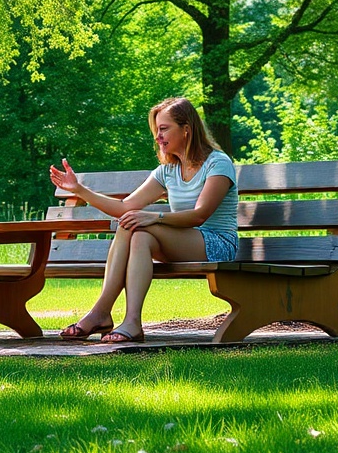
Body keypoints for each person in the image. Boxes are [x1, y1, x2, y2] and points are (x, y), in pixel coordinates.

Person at [49, 97, 238, 343]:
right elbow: (125, 207)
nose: (158, 137)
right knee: (133, 227)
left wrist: (155, 217)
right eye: (156, 130)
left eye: (163, 129)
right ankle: (124, 320)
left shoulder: (218, 163)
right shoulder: (168, 171)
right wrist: (79, 190)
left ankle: (104, 314)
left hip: (217, 244)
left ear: (186, 129)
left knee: (137, 225)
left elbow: (200, 214)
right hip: (181, 243)